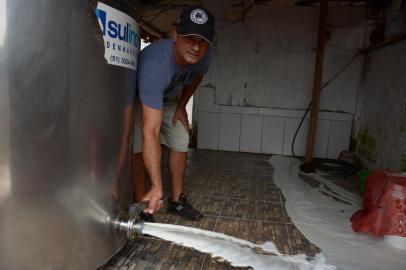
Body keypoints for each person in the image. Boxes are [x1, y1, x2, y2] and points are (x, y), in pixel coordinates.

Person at [132, 5, 215, 221]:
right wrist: (157, 185)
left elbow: (198, 75)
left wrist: (182, 106)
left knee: (180, 137)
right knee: (140, 146)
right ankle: (144, 202)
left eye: (202, 41)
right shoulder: (155, 65)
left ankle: (176, 201)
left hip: (168, 96)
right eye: (190, 38)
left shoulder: (205, 53)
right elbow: (151, 131)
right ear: (175, 34)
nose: (196, 47)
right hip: (141, 96)